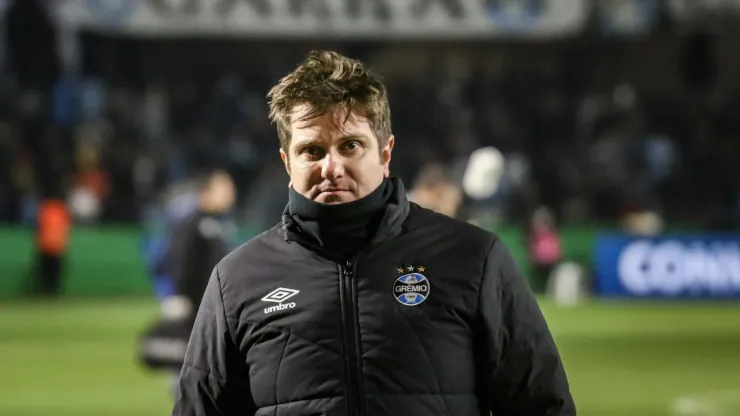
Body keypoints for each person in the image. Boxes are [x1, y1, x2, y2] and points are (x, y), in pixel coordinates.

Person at [173, 51, 575, 416]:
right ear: (286, 161)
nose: (331, 167)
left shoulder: (473, 258)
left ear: (385, 154)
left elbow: (540, 403)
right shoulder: (238, 280)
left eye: (350, 146)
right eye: (312, 150)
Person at [139, 170, 237, 378]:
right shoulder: (190, 223)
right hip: (190, 304)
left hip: (211, 304)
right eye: (224, 188)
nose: (231, 193)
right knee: (185, 364)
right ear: (207, 192)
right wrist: (175, 295)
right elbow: (174, 260)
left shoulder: (219, 223)